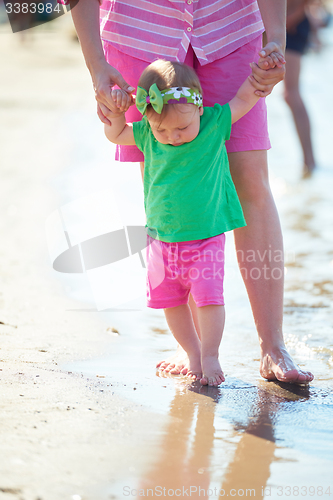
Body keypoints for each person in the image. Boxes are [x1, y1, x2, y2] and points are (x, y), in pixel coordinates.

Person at [68, 0, 314, 384]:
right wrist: (96, 65)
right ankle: (194, 347)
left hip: (228, 24)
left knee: (251, 179)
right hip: (140, 26)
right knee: (165, 178)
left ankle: (272, 345)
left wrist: (277, 38)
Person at [104, 59, 275, 386]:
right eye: (163, 130)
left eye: (181, 129)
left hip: (205, 237)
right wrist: (113, 114)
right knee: (170, 302)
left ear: (198, 108)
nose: (172, 137)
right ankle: (192, 353)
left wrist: (258, 77)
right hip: (160, 240)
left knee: (209, 297)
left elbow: (243, 100)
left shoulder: (212, 123)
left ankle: (210, 354)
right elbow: (117, 134)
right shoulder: (148, 134)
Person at [284, 0, 317, 178]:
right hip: (275, 23)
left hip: (292, 25)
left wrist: (292, 16)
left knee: (291, 94)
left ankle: (310, 161)